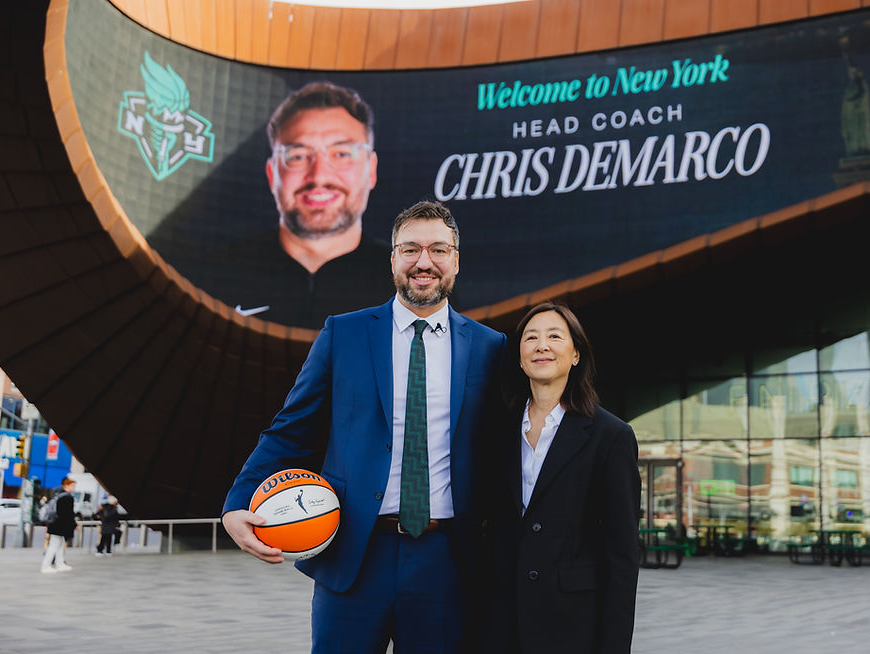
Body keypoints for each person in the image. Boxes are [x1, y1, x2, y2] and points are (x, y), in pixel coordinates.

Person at [222, 200, 506, 653]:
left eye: (438, 249)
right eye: (410, 249)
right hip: (353, 552)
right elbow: (290, 429)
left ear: (455, 260)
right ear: (393, 258)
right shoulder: (344, 334)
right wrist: (238, 501)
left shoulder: (492, 348)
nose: (424, 262)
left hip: (447, 560)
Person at [486, 301, 641, 654]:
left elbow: (622, 556)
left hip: (572, 625)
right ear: (519, 356)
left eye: (555, 336)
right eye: (531, 338)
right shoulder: (496, 430)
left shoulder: (611, 437)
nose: (542, 345)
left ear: (575, 354)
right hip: (498, 623)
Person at [230, 81, 395, 327]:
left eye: (342, 154)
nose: (319, 176)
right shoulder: (218, 275)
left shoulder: (413, 286)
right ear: (272, 175)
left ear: (371, 170)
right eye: (298, 157)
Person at [41, 476, 78, 573]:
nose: (74, 488)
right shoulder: (67, 497)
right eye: (73, 486)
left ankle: (59, 563)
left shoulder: (57, 495)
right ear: (67, 486)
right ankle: (46, 566)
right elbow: (68, 514)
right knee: (54, 546)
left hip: (55, 524)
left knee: (59, 545)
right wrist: (74, 524)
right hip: (60, 526)